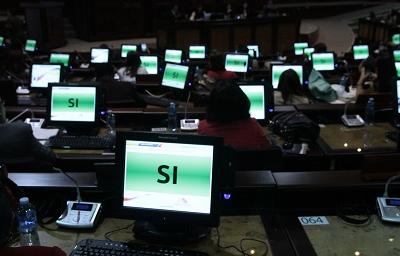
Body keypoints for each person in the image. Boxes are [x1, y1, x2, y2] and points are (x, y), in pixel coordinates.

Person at [198, 81, 270, 150]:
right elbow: (266, 147)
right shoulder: (253, 126)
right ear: (243, 103)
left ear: (212, 105)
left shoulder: (203, 127)